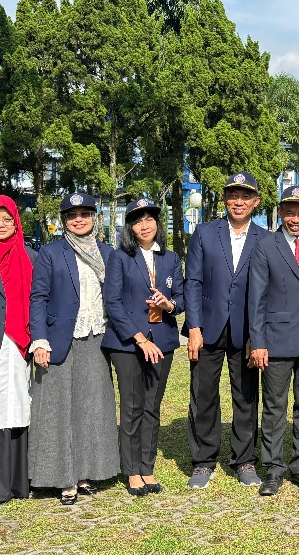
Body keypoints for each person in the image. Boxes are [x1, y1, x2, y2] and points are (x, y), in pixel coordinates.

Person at [29, 192, 120, 505]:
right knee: (59, 411)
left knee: (92, 409)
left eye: (84, 214)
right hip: (59, 341)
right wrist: (39, 340)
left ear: (95, 217)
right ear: (64, 220)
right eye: (72, 215)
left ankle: (85, 473)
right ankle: (63, 479)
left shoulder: (108, 252)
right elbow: (38, 298)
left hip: (98, 339)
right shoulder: (51, 252)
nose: (78, 219)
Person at [184, 172, 267, 489]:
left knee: (246, 397)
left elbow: (266, 292)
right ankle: (204, 461)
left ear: (255, 202)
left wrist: (256, 335)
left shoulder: (265, 238)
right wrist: (193, 326)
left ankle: (244, 460)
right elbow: (192, 282)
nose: (239, 201)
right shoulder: (204, 233)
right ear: (225, 199)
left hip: (246, 333)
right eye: (233, 195)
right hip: (207, 330)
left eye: (246, 196)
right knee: (203, 396)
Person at [103, 198, 184, 496]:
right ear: (130, 227)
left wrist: (169, 304)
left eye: (150, 219)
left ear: (157, 224)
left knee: (152, 407)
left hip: (162, 342)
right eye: (138, 221)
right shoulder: (120, 257)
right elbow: (112, 303)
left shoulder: (171, 258)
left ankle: (147, 467)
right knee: (133, 407)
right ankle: (132, 470)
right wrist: (140, 338)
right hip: (128, 344)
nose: (145, 225)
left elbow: (182, 299)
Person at [249, 186, 299, 496]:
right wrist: (258, 341)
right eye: (289, 213)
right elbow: (256, 299)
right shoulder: (266, 246)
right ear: (280, 213)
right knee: (274, 407)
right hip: (276, 340)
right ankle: (274, 469)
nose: (295, 219)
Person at [0, 196, 34, 504]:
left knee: (17, 406)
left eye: (7, 219)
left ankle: (17, 483)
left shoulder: (29, 256)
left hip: (18, 343)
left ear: (17, 222)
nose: (1, 225)